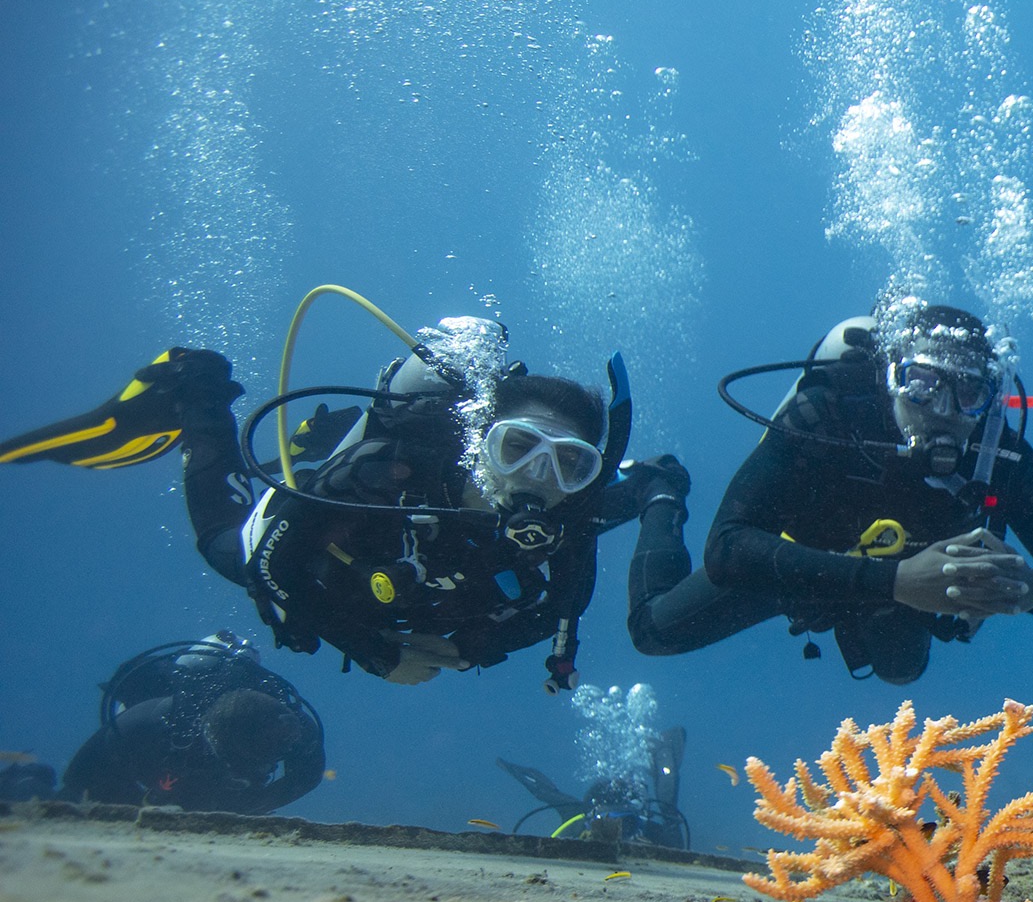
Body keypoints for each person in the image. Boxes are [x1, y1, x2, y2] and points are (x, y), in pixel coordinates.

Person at [0, 311, 678, 690]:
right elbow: (271, 567)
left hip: (395, 584)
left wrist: (480, 647)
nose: (538, 477)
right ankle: (197, 404)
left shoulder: (572, 515)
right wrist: (377, 653)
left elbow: (563, 605)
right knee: (226, 550)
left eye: (568, 463)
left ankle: (308, 432)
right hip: (325, 549)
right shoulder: (384, 472)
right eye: (516, 448)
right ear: (479, 439)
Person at [627, 295, 1033, 684]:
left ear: (991, 401)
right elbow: (727, 548)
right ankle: (663, 489)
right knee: (653, 633)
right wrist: (897, 582)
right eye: (921, 383)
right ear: (892, 378)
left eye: (968, 393)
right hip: (794, 567)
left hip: (900, 590)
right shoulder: (828, 415)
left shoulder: (1003, 459)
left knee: (902, 672)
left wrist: (1031, 590)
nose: (942, 409)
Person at [58, 632, 326, 813]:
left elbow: (309, 772)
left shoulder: (291, 725)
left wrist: (254, 803)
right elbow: (80, 779)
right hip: (148, 779)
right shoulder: (152, 718)